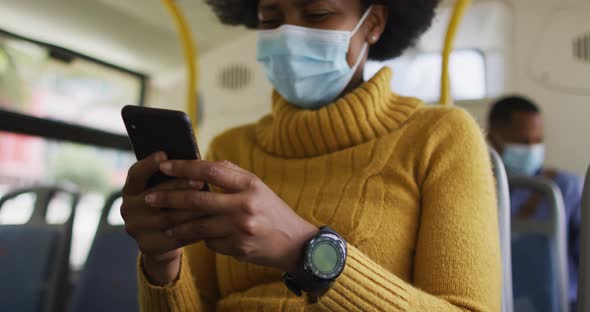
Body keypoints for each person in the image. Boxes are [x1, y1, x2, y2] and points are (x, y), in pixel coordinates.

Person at [121, 0, 501, 311]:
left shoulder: (440, 137)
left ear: (374, 23)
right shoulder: (229, 149)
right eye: (271, 19)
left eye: (317, 14)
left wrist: (305, 251)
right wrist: (163, 263)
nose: (288, 34)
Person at [487, 95, 582, 309]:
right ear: (493, 140)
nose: (532, 149)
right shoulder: (478, 189)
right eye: (523, 142)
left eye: (538, 140)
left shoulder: (566, 188)